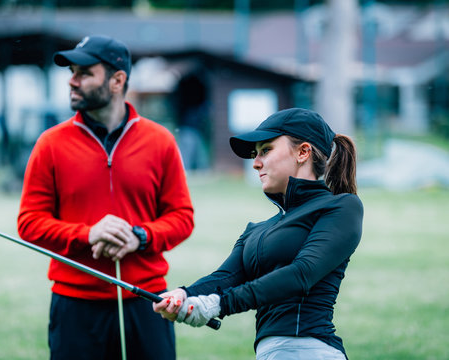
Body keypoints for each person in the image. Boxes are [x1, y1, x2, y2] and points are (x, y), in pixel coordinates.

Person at [18, 35, 194, 360]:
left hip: (146, 301)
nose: (72, 81)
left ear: (117, 80)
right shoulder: (50, 144)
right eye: (72, 71)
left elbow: (182, 217)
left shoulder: (161, 141)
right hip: (74, 307)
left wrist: (140, 237)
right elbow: (29, 223)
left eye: (84, 73)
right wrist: (88, 233)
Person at [154, 108, 364, 360]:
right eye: (255, 154)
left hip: (310, 350)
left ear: (303, 152)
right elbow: (225, 277)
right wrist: (184, 295)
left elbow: (302, 274)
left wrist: (218, 304)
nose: (255, 163)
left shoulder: (341, 207)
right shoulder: (256, 230)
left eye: (266, 150)